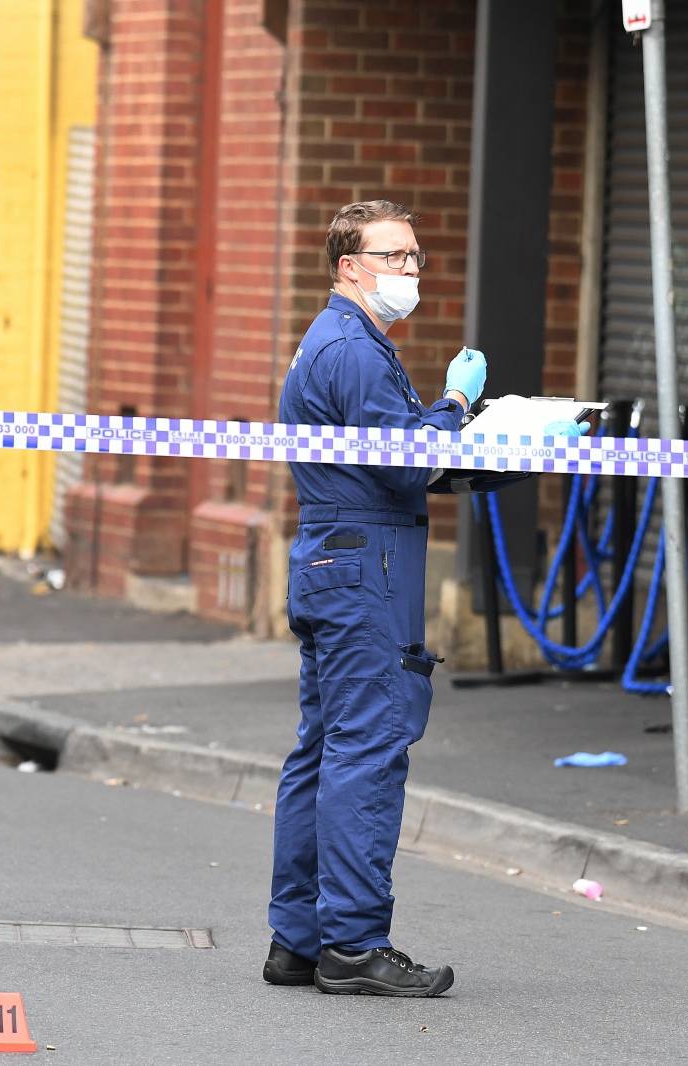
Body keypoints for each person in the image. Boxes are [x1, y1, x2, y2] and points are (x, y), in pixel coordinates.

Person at [263, 200, 483, 997]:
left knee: (321, 751)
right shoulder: (354, 350)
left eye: (417, 257)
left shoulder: (336, 342)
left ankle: (298, 938)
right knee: (368, 749)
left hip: (332, 558)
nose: (410, 272)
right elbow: (406, 465)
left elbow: (387, 440)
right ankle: (353, 945)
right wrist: (460, 412)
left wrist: (441, 419)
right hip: (366, 569)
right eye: (394, 257)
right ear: (347, 266)